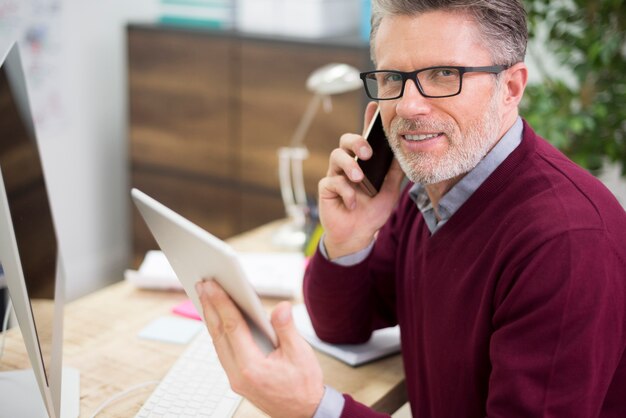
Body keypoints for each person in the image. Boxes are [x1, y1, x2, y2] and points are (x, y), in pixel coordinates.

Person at [196, 0, 626, 416]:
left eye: (443, 74)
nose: (407, 106)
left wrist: (316, 410)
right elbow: (343, 325)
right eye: (391, 78)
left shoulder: (567, 244)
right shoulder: (424, 190)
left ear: (510, 87)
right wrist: (348, 239)